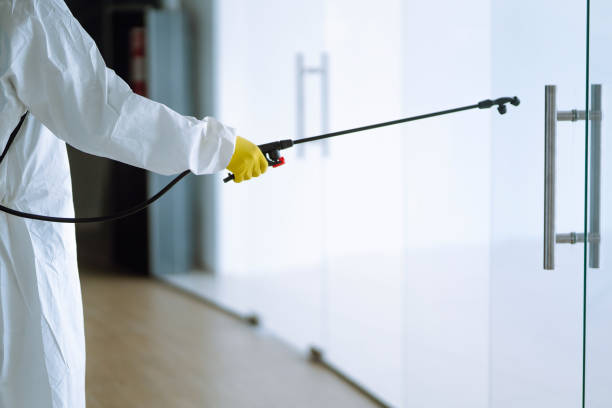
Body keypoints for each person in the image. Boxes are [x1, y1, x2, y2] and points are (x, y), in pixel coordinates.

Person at [0, 0, 267, 407]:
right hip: (16, 246)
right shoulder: (24, 8)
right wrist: (219, 147)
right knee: (34, 373)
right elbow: (103, 111)